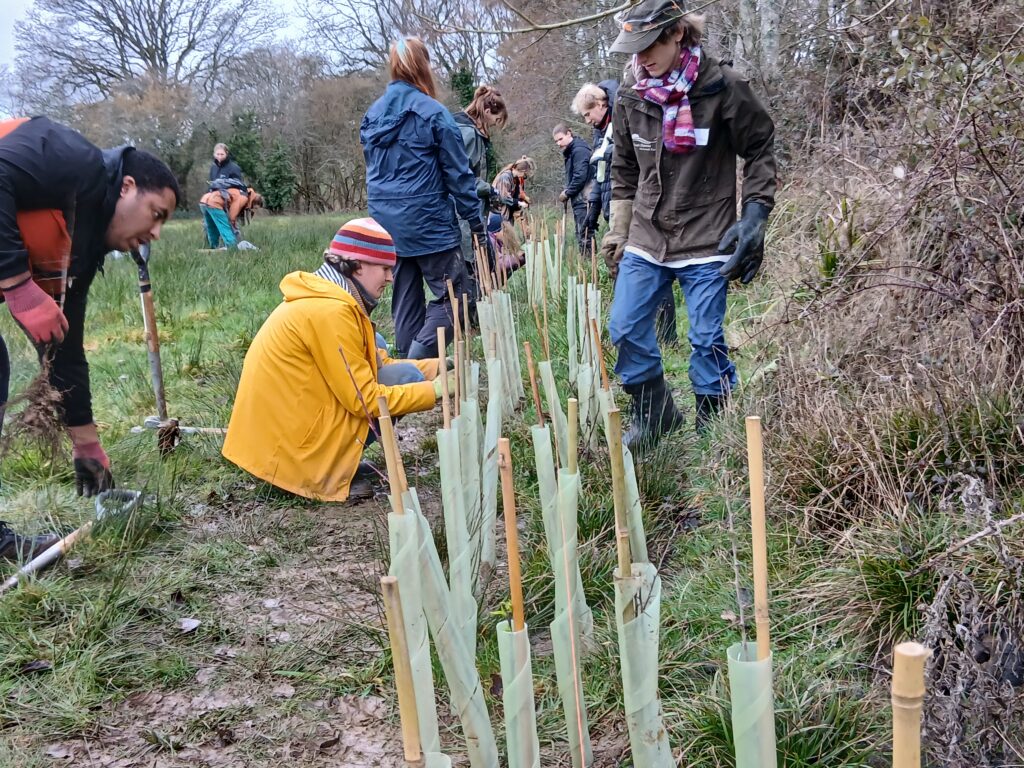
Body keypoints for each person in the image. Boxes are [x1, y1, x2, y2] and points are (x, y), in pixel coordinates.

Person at [602, 0, 776, 446]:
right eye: (633, 49)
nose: (640, 58)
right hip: (648, 232)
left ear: (678, 33)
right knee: (623, 325)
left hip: (707, 233)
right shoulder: (631, 94)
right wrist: (618, 230)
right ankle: (656, 412)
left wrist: (755, 217)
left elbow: (759, 148)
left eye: (649, 45)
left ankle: (714, 425)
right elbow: (623, 168)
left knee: (704, 338)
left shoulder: (724, 87)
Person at [0, 117, 181, 505]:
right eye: (157, 213)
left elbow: (64, 346)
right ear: (127, 187)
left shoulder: (81, 249)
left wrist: (85, 442)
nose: (156, 234)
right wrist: (17, 286)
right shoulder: (71, 156)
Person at [222, 218, 451, 502]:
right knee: (409, 382)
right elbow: (364, 400)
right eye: (384, 268)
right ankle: (320, 475)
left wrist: (438, 368)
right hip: (288, 455)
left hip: (285, 437)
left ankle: (338, 462)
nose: (391, 278)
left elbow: (375, 366)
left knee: (381, 347)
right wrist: (435, 391)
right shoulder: (332, 312)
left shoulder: (330, 300)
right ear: (357, 266)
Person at [361, 37, 486, 360]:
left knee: (405, 300)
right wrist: (476, 223)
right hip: (427, 221)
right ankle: (416, 363)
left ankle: (408, 374)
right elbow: (459, 176)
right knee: (457, 297)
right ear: (424, 67)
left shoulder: (372, 116)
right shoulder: (435, 114)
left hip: (385, 224)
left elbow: (375, 172)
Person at [453, 85, 508, 298]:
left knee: (482, 264)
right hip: (463, 216)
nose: (495, 126)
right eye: (496, 120)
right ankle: (473, 320)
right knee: (472, 270)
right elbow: (462, 177)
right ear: (486, 112)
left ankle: (475, 316)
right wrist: (489, 190)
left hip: (465, 214)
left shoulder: (462, 129)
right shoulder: (468, 135)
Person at [571, 81, 618, 239]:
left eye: (587, 114)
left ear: (599, 104)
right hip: (610, 206)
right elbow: (601, 173)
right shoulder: (600, 133)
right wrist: (594, 208)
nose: (587, 121)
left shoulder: (622, 121)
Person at [552, 123, 593, 255]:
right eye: (556, 141)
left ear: (569, 134)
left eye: (560, 139)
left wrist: (568, 193)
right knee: (582, 233)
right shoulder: (571, 151)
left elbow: (580, 176)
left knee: (585, 233)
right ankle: (585, 262)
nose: (558, 143)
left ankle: (588, 264)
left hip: (585, 198)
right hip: (580, 198)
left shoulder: (579, 150)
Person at [199, 184, 263, 249]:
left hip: (205, 201)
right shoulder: (244, 197)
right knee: (225, 228)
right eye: (253, 207)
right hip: (215, 203)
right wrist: (234, 228)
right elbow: (232, 215)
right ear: (254, 202)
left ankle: (214, 248)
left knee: (212, 228)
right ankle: (232, 249)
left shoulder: (242, 191)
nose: (251, 209)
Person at [492, 156, 536, 227]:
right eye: (524, 175)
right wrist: (519, 203)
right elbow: (504, 197)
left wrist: (519, 206)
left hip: (508, 213)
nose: (523, 177)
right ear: (522, 171)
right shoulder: (505, 177)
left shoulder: (515, 179)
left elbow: (516, 195)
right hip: (499, 212)